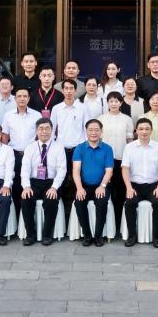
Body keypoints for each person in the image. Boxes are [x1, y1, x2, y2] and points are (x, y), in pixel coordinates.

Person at [121, 118, 158, 248]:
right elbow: (125, 168)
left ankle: (156, 237)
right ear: (136, 131)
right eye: (141, 129)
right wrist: (129, 188)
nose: (144, 132)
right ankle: (132, 236)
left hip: (153, 185)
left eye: (147, 129)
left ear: (151, 131)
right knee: (130, 203)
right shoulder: (129, 147)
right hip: (135, 185)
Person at [19, 119, 67, 246]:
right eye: (41, 128)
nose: (44, 131)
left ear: (52, 130)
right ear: (36, 131)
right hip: (34, 182)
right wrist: (26, 186)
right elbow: (25, 169)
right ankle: (30, 234)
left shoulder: (59, 147)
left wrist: (54, 187)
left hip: (52, 182)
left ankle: (47, 234)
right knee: (26, 198)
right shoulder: (30, 147)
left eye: (47, 128)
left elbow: (62, 170)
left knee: (51, 199)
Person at [71, 119, 115, 246]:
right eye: (90, 130)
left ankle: (98, 236)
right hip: (84, 186)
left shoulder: (107, 148)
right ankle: (87, 235)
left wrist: (102, 186)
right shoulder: (80, 148)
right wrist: (79, 188)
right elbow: (76, 171)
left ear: (101, 132)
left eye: (96, 130)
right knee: (79, 202)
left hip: (102, 185)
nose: (93, 133)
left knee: (101, 202)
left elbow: (109, 171)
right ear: (86, 131)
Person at [51, 79, 89, 220]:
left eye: (71, 88)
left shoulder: (82, 108)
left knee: (78, 180)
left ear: (75, 90)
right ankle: (60, 213)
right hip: (60, 149)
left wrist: (86, 148)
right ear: (62, 90)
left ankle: (77, 213)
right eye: (65, 88)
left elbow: (87, 129)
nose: (68, 91)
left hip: (78, 149)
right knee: (60, 179)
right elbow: (52, 130)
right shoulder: (56, 108)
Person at [98, 92, 134, 229]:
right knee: (106, 189)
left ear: (121, 103)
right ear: (107, 103)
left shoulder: (127, 119)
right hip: (105, 161)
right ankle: (107, 224)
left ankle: (119, 222)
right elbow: (98, 140)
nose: (113, 103)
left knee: (119, 191)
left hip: (121, 159)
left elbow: (130, 141)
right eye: (111, 101)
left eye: (116, 101)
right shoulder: (101, 119)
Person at [3, 87, 42, 214]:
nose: (22, 99)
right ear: (15, 99)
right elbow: (5, 136)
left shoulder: (37, 115)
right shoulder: (8, 115)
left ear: (29, 99)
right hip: (14, 154)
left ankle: (28, 213)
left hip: (32, 155)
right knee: (16, 184)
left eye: (25, 96)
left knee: (30, 182)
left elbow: (39, 136)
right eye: (19, 96)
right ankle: (17, 213)